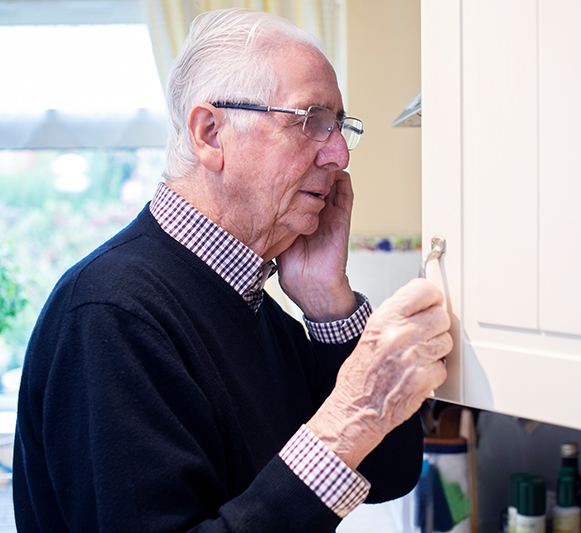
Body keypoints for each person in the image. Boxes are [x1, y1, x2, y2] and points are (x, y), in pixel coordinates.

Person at [13, 8, 451, 532]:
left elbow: (390, 472)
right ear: (211, 133)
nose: (338, 154)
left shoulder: (251, 302)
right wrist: (352, 413)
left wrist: (326, 298)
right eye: (311, 121)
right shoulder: (111, 314)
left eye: (338, 127)